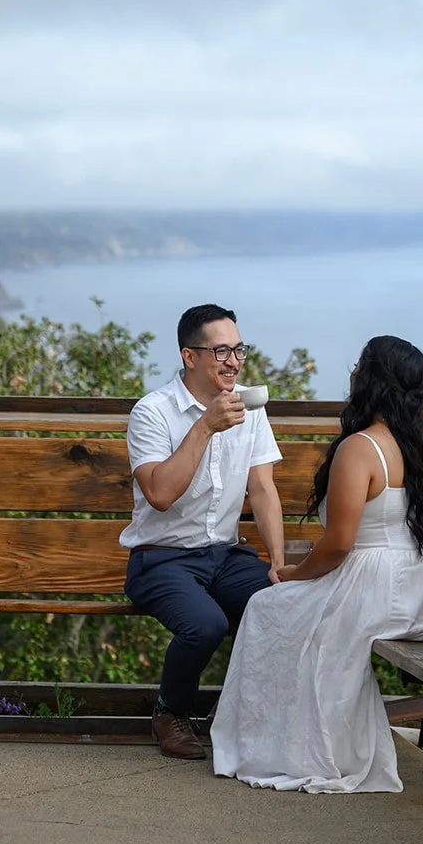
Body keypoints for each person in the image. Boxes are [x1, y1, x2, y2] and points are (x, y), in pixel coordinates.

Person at [211, 334, 423, 792]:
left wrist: (294, 574)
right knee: (285, 608)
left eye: (360, 365)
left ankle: (280, 744)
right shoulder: (410, 441)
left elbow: (339, 545)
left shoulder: (360, 447)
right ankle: (285, 735)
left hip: (377, 584)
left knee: (267, 608)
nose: (353, 371)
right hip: (418, 586)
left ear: (372, 380)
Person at [123, 303, 287, 760]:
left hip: (225, 555)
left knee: (280, 607)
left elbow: (262, 487)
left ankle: (232, 714)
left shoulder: (249, 408)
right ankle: (169, 712)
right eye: (221, 351)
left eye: (239, 349)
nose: (233, 361)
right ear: (189, 356)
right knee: (206, 624)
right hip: (161, 557)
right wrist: (204, 427)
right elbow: (159, 494)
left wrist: (277, 561)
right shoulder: (153, 412)